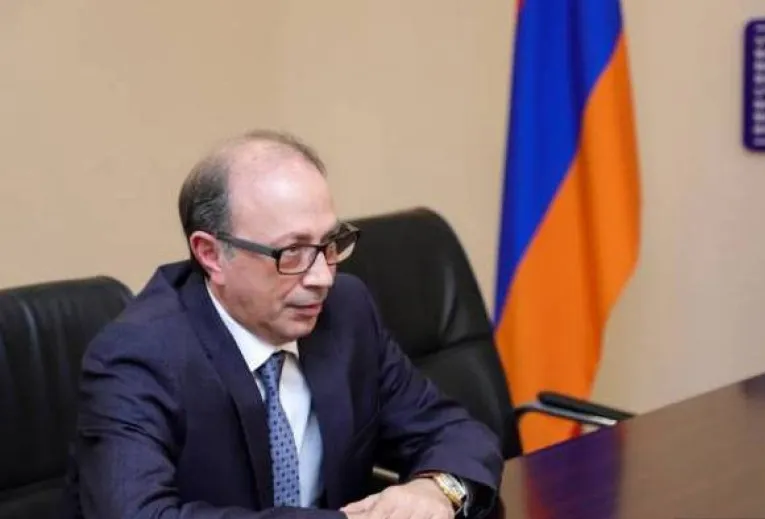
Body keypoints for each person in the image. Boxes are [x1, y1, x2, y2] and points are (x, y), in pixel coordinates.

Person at [64, 130, 503, 519]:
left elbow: (453, 431)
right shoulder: (138, 356)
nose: (322, 277)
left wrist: (435, 489)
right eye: (292, 252)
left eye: (330, 243)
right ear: (211, 254)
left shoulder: (346, 312)